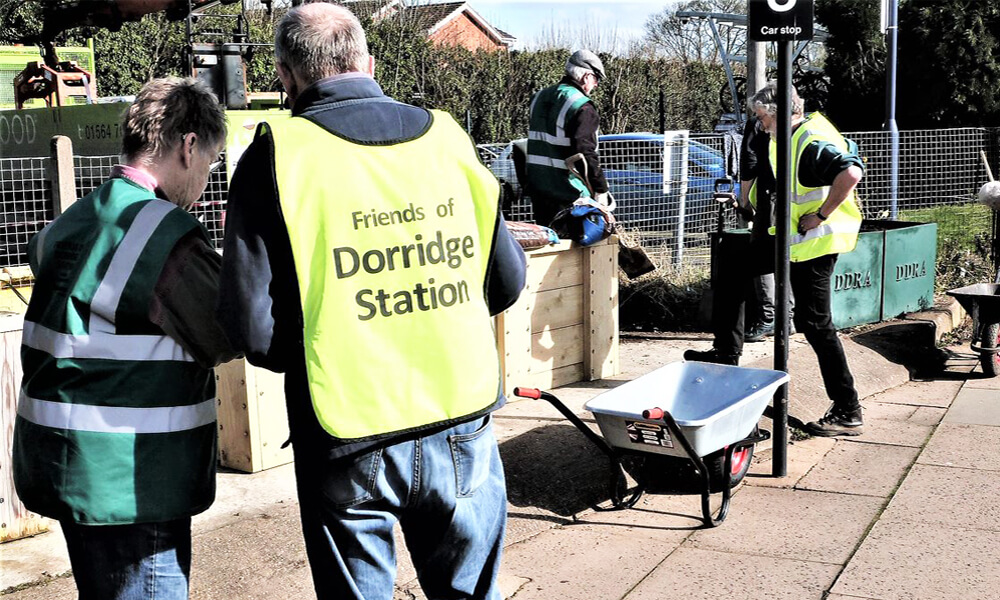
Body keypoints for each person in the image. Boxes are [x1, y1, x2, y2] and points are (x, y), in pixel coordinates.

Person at [216, 4, 527, 600]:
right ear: (369, 61)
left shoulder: (273, 155)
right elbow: (506, 282)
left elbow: (251, 330)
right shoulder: (447, 137)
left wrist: (329, 341)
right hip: (459, 416)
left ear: (285, 76)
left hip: (346, 430)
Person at [13, 77, 236, 599]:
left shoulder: (69, 222)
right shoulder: (162, 233)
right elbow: (226, 332)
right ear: (186, 146)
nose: (206, 177)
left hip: (61, 463)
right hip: (132, 482)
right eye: (209, 161)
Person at [688, 81, 865, 437]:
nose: (761, 124)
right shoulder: (792, 133)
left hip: (815, 242)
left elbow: (851, 172)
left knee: (815, 323)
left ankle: (848, 408)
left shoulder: (809, 142)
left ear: (783, 113)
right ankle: (726, 351)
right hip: (791, 239)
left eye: (763, 117)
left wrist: (822, 214)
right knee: (734, 262)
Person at [523, 49, 610, 226]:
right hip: (569, 192)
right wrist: (600, 189)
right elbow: (585, 151)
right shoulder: (582, 106)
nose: (596, 85)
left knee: (548, 245)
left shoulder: (538, 97)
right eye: (596, 78)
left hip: (539, 189)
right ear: (586, 76)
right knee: (576, 250)